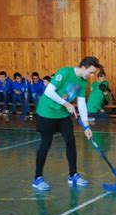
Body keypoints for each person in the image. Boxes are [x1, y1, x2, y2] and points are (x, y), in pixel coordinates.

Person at [32, 56, 102, 191]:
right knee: (45, 144)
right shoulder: (64, 72)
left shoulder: (83, 82)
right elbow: (49, 91)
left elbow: (81, 103)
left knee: (71, 141)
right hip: (46, 113)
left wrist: (86, 126)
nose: (92, 75)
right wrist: (66, 104)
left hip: (63, 114)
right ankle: (37, 178)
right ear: (83, 67)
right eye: (91, 72)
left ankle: (73, 175)